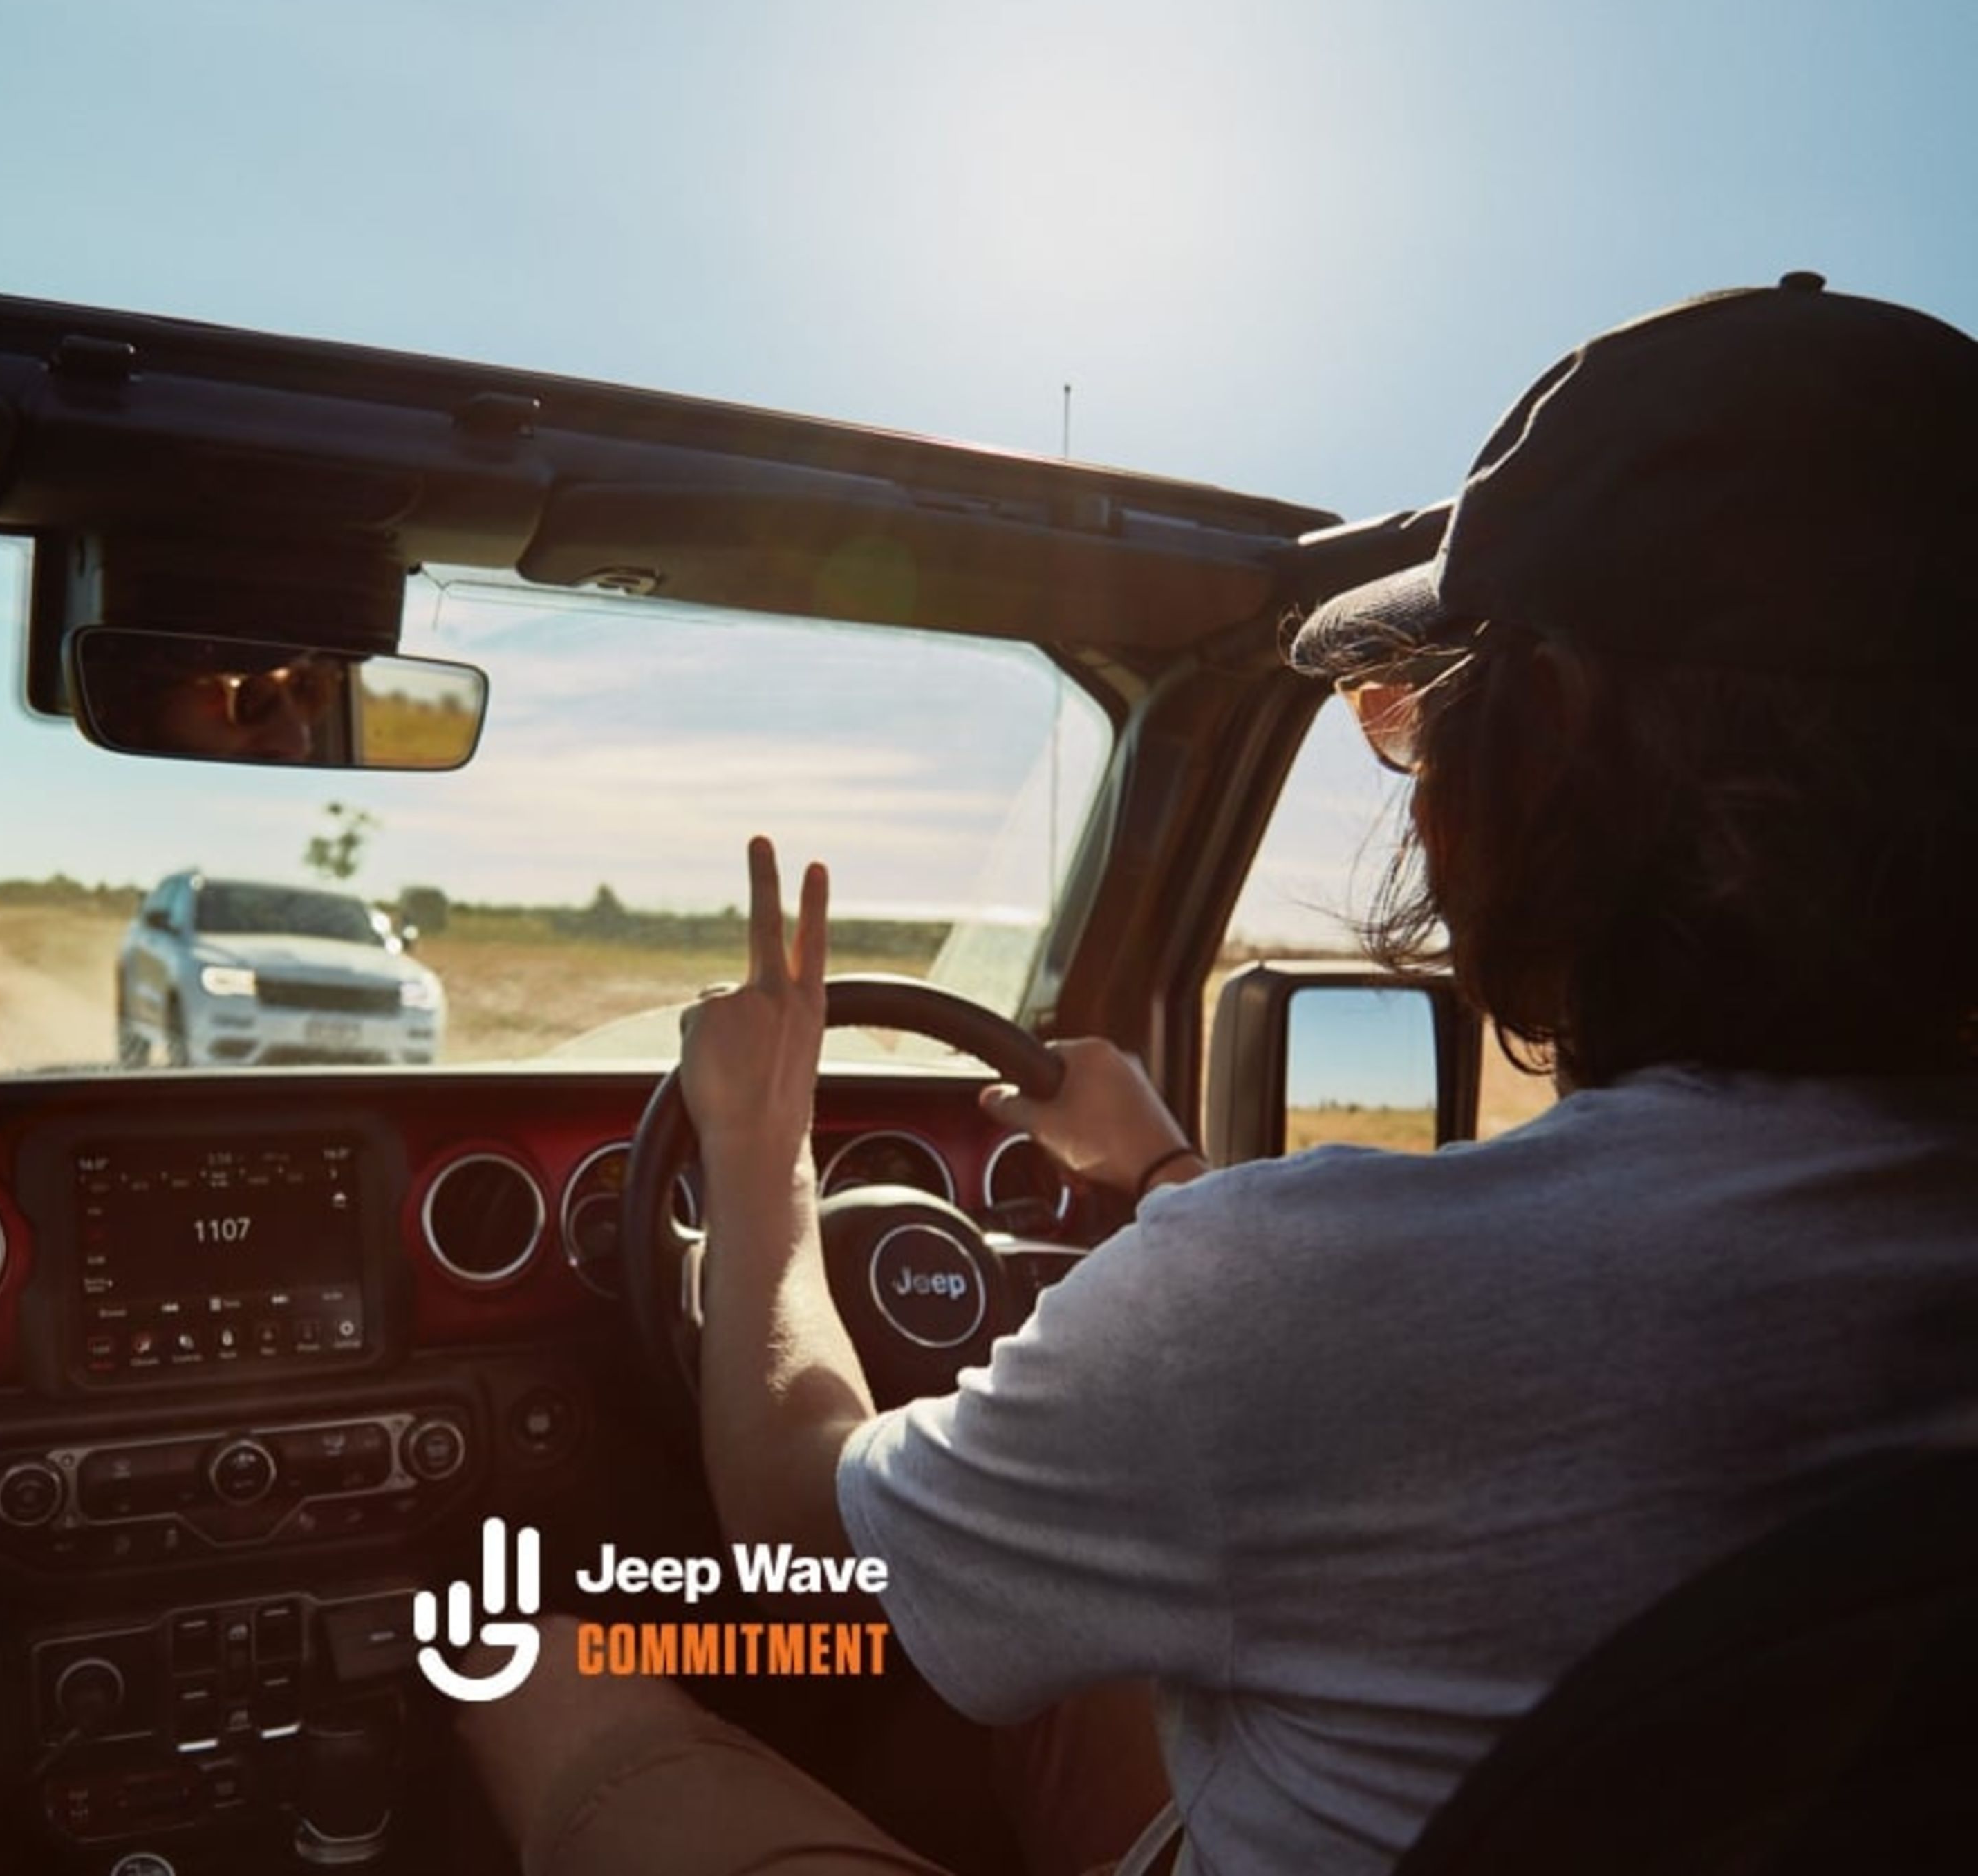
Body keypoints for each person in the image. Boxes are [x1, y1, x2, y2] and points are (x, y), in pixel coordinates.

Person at [458, 273, 1978, 1875]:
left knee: (519, 1660)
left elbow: (802, 1551)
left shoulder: (1287, 1313)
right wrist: (1175, 1179)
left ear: (1539, 749)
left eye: (1424, 716)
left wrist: (759, 1159)